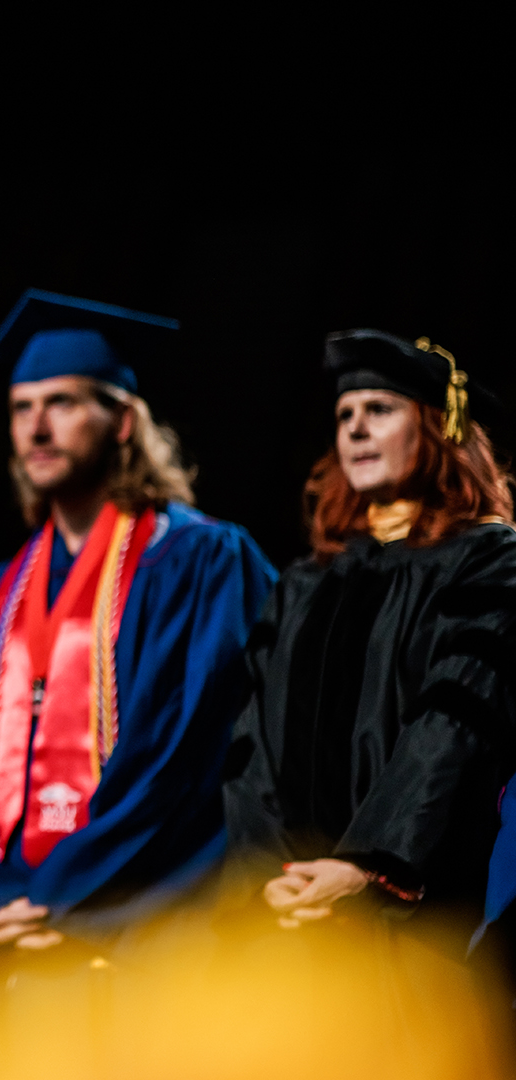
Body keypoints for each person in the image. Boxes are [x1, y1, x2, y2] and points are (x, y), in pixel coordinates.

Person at [0, 290, 276, 1038]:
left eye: (62, 402)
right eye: (22, 406)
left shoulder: (199, 562)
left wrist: (60, 892)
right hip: (21, 943)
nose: (36, 425)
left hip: (152, 937)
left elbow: (185, 752)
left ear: (123, 422)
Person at [223, 330, 516, 1019]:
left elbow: (453, 721)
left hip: (416, 918)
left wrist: (367, 866)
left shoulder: (490, 563)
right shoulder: (306, 582)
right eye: (344, 415)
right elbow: (253, 747)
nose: (355, 426)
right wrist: (269, 879)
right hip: (290, 920)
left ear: (439, 428)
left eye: (379, 409)